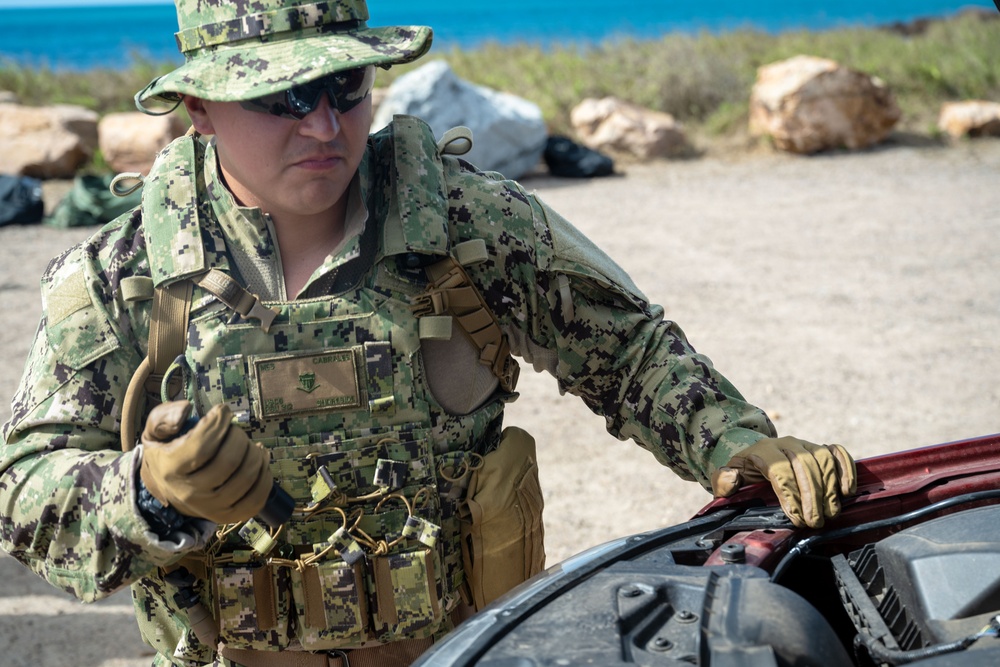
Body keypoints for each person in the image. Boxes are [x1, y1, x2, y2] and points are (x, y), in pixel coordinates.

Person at [0, 1, 857, 665]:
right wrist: (145, 492)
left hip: (456, 646)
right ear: (198, 108)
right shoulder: (125, 274)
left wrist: (736, 442)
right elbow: (24, 492)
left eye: (346, 89)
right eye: (281, 98)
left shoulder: (464, 222)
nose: (325, 127)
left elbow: (626, 350)